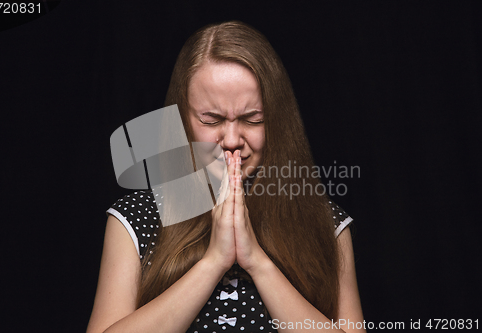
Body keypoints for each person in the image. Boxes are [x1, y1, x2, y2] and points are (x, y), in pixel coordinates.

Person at [87, 20, 365, 333]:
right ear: (181, 119)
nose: (231, 139)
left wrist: (257, 262)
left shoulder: (326, 223)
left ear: (276, 121)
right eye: (212, 119)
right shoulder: (136, 218)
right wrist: (214, 261)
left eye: (252, 119)